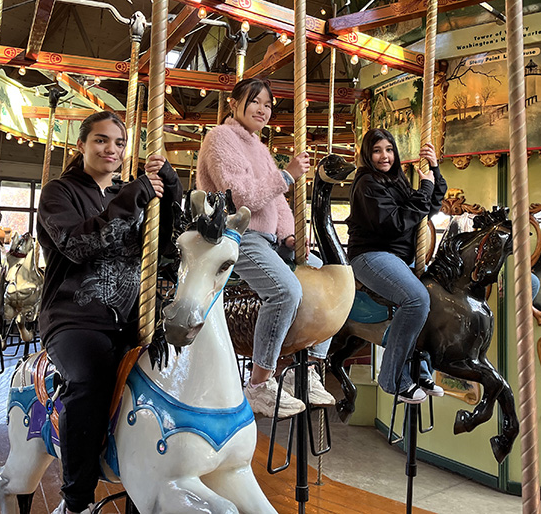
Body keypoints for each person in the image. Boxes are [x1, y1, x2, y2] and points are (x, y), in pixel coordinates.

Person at [36, 111, 182, 514]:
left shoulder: (133, 194)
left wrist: (170, 189)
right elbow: (78, 245)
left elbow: (165, 245)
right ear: (81, 145)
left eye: (119, 143)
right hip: (74, 317)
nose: (111, 150)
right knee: (89, 378)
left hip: (131, 317)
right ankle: (76, 500)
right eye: (101, 140)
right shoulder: (58, 193)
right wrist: (132, 196)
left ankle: (145, 485)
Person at [196, 78, 335, 419]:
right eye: (254, 101)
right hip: (237, 234)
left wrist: (290, 235)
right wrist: (286, 175)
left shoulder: (260, 147)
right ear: (233, 103)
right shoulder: (219, 140)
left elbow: (279, 204)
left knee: (329, 279)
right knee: (285, 291)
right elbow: (239, 196)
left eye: (268, 105)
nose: (262, 109)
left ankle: (310, 367)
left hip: (269, 240)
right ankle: (259, 383)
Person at [346, 129, 447, 404]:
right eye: (378, 150)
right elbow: (394, 224)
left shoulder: (396, 181)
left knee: (436, 295)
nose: (384, 156)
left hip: (399, 257)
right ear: (368, 154)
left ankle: (420, 367)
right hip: (372, 254)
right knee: (416, 299)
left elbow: (429, 207)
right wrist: (424, 188)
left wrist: (434, 171)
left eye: (389, 150)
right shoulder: (367, 183)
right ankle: (393, 378)